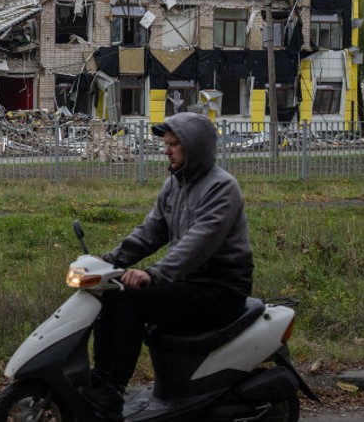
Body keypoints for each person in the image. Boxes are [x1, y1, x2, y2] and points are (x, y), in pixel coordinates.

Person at [86, 112, 254, 420]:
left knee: (130, 299)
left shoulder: (222, 188)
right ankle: (101, 379)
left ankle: (113, 392)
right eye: (166, 144)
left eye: (174, 144)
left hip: (220, 288)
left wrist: (153, 274)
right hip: (189, 282)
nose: (166, 150)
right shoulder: (175, 184)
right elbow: (151, 231)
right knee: (110, 291)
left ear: (195, 147)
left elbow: (198, 242)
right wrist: (110, 261)